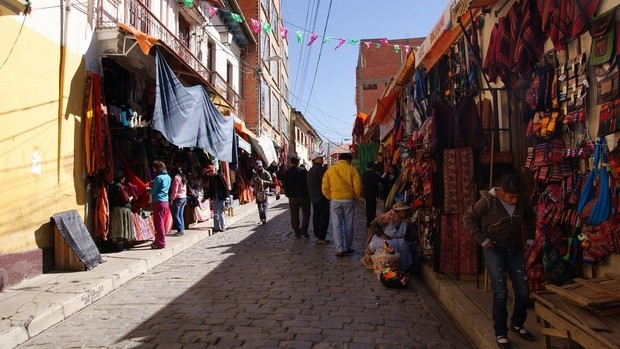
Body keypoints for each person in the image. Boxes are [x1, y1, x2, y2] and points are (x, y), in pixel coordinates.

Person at [463, 174, 536, 348]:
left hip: (515, 248)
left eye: (517, 196)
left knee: (523, 290)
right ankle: (501, 332)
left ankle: (517, 323)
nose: (515, 200)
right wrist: (482, 239)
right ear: (502, 192)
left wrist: (530, 238)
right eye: (512, 196)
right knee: (501, 292)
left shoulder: (521, 201)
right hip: (494, 249)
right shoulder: (488, 201)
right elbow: (468, 218)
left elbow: (531, 217)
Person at [321, 152, 362, 257]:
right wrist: (356, 197)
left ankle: (339, 249)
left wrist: (330, 197)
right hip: (348, 200)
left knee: (336, 225)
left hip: (335, 200)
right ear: (348, 160)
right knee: (349, 225)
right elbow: (358, 187)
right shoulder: (352, 170)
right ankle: (347, 247)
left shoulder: (330, 170)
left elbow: (325, 187)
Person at [361, 201, 418, 273]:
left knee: (405, 246)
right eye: (404, 211)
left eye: (406, 211)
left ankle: (402, 268)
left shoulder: (407, 221)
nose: (406, 212)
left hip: (399, 241)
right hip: (384, 240)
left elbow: (410, 235)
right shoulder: (388, 217)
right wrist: (382, 235)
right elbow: (373, 224)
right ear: (398, 211)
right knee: (380, 247)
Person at [283, 155, 311, 238]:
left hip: (292, 196)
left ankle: (297, 232)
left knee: (294, 214)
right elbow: (308, 182)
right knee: (306, 213)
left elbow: (285, 185)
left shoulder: (288, 172)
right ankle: (304, 230)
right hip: (304, 196)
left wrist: (288, 194)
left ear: (291, 162)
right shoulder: (303, 171)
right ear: (298, 162)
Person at [147, 160, 171, 249]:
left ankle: (161, 243)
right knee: (162, 222)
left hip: (158, 202)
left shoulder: (158, 178)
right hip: (165, 201)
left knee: (159, 223)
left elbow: (153, 191)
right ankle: (158, 240)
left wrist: (147, 189)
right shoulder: (168, 177)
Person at [307, 151, 330, 244]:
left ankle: (317, 235)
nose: (322, 159)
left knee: (316, 216)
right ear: (316, 159)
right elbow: (325, 182)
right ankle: (321, 237)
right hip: (321, 196)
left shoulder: (311, 170)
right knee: (324, 216)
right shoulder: (320, 169)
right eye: (320, 158)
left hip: (313, 196)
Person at [109, 171, 134, 250]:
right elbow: (126, 199)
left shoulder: (112, 187)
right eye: (123, 178)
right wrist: (131, 198)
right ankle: (122, 245)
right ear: (121, 179)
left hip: (115, 209)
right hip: (122, 210)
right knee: (123, 228)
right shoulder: (121, 188)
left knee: (118, 228)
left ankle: (118, 245)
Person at [204, 164, 229, 232]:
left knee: (220, 212)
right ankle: (217, 227)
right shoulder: (211, 178)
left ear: (212, 170)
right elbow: (210, 190)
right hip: (215, 197)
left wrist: (227, 197)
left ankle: (223, 226)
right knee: (215, 213)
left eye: (209, 172)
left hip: (220, 197)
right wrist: (205, 197)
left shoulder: (219, 176)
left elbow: (225, 187)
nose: (209, 173)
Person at [250, 160, 273, 224]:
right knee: (259, 206)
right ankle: (262, 218)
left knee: (265, 205)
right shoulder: (255, 174)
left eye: (259, 166)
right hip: (258, 192)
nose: (258, 168)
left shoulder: (266, 173)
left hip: (265, 192)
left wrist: (262, 181)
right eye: (257, 167)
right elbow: (251, 182)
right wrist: (254, 180)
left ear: (262, 166)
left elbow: (271, 182)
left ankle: (264, 218)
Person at [362, 161, 383, 227]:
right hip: (371, 193)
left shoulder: (365, 174)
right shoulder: (371, 174)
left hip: (366, 193)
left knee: (368, 208)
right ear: (371, 166)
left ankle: (369, 222)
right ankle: (372, 222)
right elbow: (380, 179)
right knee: (372, 208)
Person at [169, 167, 187, 236]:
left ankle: (180, 229)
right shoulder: (183, 177)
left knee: (175, 215)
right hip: (183, 197)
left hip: (178, 198)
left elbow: (175, 190)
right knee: (180, 215)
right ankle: (182, 229)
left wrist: (171, 199)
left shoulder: (176, 178)